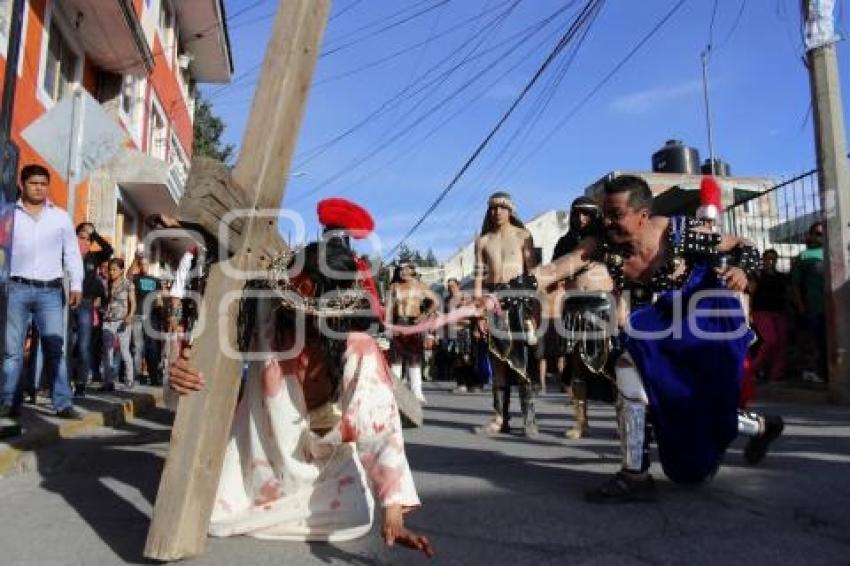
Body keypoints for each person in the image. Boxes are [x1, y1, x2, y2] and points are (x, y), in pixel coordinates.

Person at [167, 198, 433, 558]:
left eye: (308, 304)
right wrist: (182, 376)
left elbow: (377, 422)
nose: (296, 313)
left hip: (321, 475)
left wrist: (393, 512)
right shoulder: (261, 326)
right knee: (213, 513)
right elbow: (204, 382)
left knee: (353, 516)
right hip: (256, 469)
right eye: (291, 298)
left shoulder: (357, 348)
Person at [533, 175, 784, 501]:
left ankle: (762, 427)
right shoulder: (603, 244)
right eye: (604, 214)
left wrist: (741, 270)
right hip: (661, 322)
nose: (606, 223)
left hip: (707, 316)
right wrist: (501, 295)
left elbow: (742, 245)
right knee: (629, 366)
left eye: (616, 214)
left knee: (698, 412)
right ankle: (634, 476)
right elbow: (557, 269)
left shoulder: (678, 232)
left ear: (642, 215)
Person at [1, 164, 83, 420]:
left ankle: (62, 403)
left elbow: (71, 253)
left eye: (43, 184)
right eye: (34, 183)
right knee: (12, 351)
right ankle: (8, 403)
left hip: (49, 291)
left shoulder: (60, 217)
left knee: (54, 348)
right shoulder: (7, 215)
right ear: (22, 184)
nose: (39, 188)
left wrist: (77, 284)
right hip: (16, 288)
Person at [473, 191, 538, 437]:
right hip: (492, 300)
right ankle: (500, 418)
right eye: (492, 208)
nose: (497, 212)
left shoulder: (523, 236)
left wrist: (534, 309)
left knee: (521, 360)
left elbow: (533, 275)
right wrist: (478, 314)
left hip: (519, 300)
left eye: (501, 207)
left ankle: (529, 418)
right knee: (497, 359)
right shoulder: (483, 241)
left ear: (510, 210)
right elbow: (479, 277)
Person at [551, 197, 616, 439]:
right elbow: (554, 280)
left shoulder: (608, 240)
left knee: (613, 366)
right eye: (576, 213)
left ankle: (623, 422)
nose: (581, 218)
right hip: (575, 308)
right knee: (577, 368)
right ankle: (581, 422)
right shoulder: (565, 243)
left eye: (586, 214)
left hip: (604, 306)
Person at [384, 262, 439, 403]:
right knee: (396, 359)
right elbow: (389, 308)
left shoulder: (420, 286)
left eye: (405, 268)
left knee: (414, 358)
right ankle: (395, 392)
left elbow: (436, 301)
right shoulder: (394, 286)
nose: (402, 271)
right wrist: (388, 326)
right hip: (398, 323)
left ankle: (417, 392)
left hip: (414, 323)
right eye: (400, 268)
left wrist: (424, 314)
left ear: (412, 270)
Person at [73, 222, 112, 395]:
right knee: (66, 344)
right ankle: (61, 381)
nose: (84, 241)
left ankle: (81, 382)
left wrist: (94, 234)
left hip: (85, 304)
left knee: (83, 345)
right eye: (81, 237)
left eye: (88, 239)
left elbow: (109, 250)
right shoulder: (69, 254)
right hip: (67, 302)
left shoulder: (94, 258)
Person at [791, 222, 827, 384]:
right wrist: (801, 305)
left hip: (837, 306)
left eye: (824, 233)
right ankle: (817, 372)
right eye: (818, 233)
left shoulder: (834, 250)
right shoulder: (803, 257)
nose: (822, 236)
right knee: (817, 340)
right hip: (815, 307)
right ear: (811, 236)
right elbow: (795, 285)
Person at [750, 249, 789, 382]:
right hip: (761, 311)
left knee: (781, 344)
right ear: (763, 259)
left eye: (773, 258)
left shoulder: (781, 276)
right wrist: (749, 312)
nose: (770, 261)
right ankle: (752, 369)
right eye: (768, 258)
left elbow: (786, 293)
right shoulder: (757, 275)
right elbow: (751, 294)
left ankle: (776, 373)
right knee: (771, 341)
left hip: (779, 311)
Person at [100, 258, 135, 392]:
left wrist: (130, 315)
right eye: (110, 269)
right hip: (108, 321)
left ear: (121, 270)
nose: (111, 272)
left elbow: (133, 302)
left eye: (114, 269)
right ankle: (108, 382)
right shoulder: (107, 283)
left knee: (125, 351)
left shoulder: (128, 284)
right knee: (107, 352)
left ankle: (129, 380)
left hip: (122, 321)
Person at [130, 255, 164, 386]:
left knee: (152, 348)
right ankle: (138, 375)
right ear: (139, 266)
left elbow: (160, 297)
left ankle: (153, 376)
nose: (144, 266)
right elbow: (128, 275)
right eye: (141, 264)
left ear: (149, 266)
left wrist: (161, 311)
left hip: (152, 317)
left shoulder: (156, 280)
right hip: (138, 315)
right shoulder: (136, 278)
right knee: (138, 347)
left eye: (146, 264)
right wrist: (135, 260)